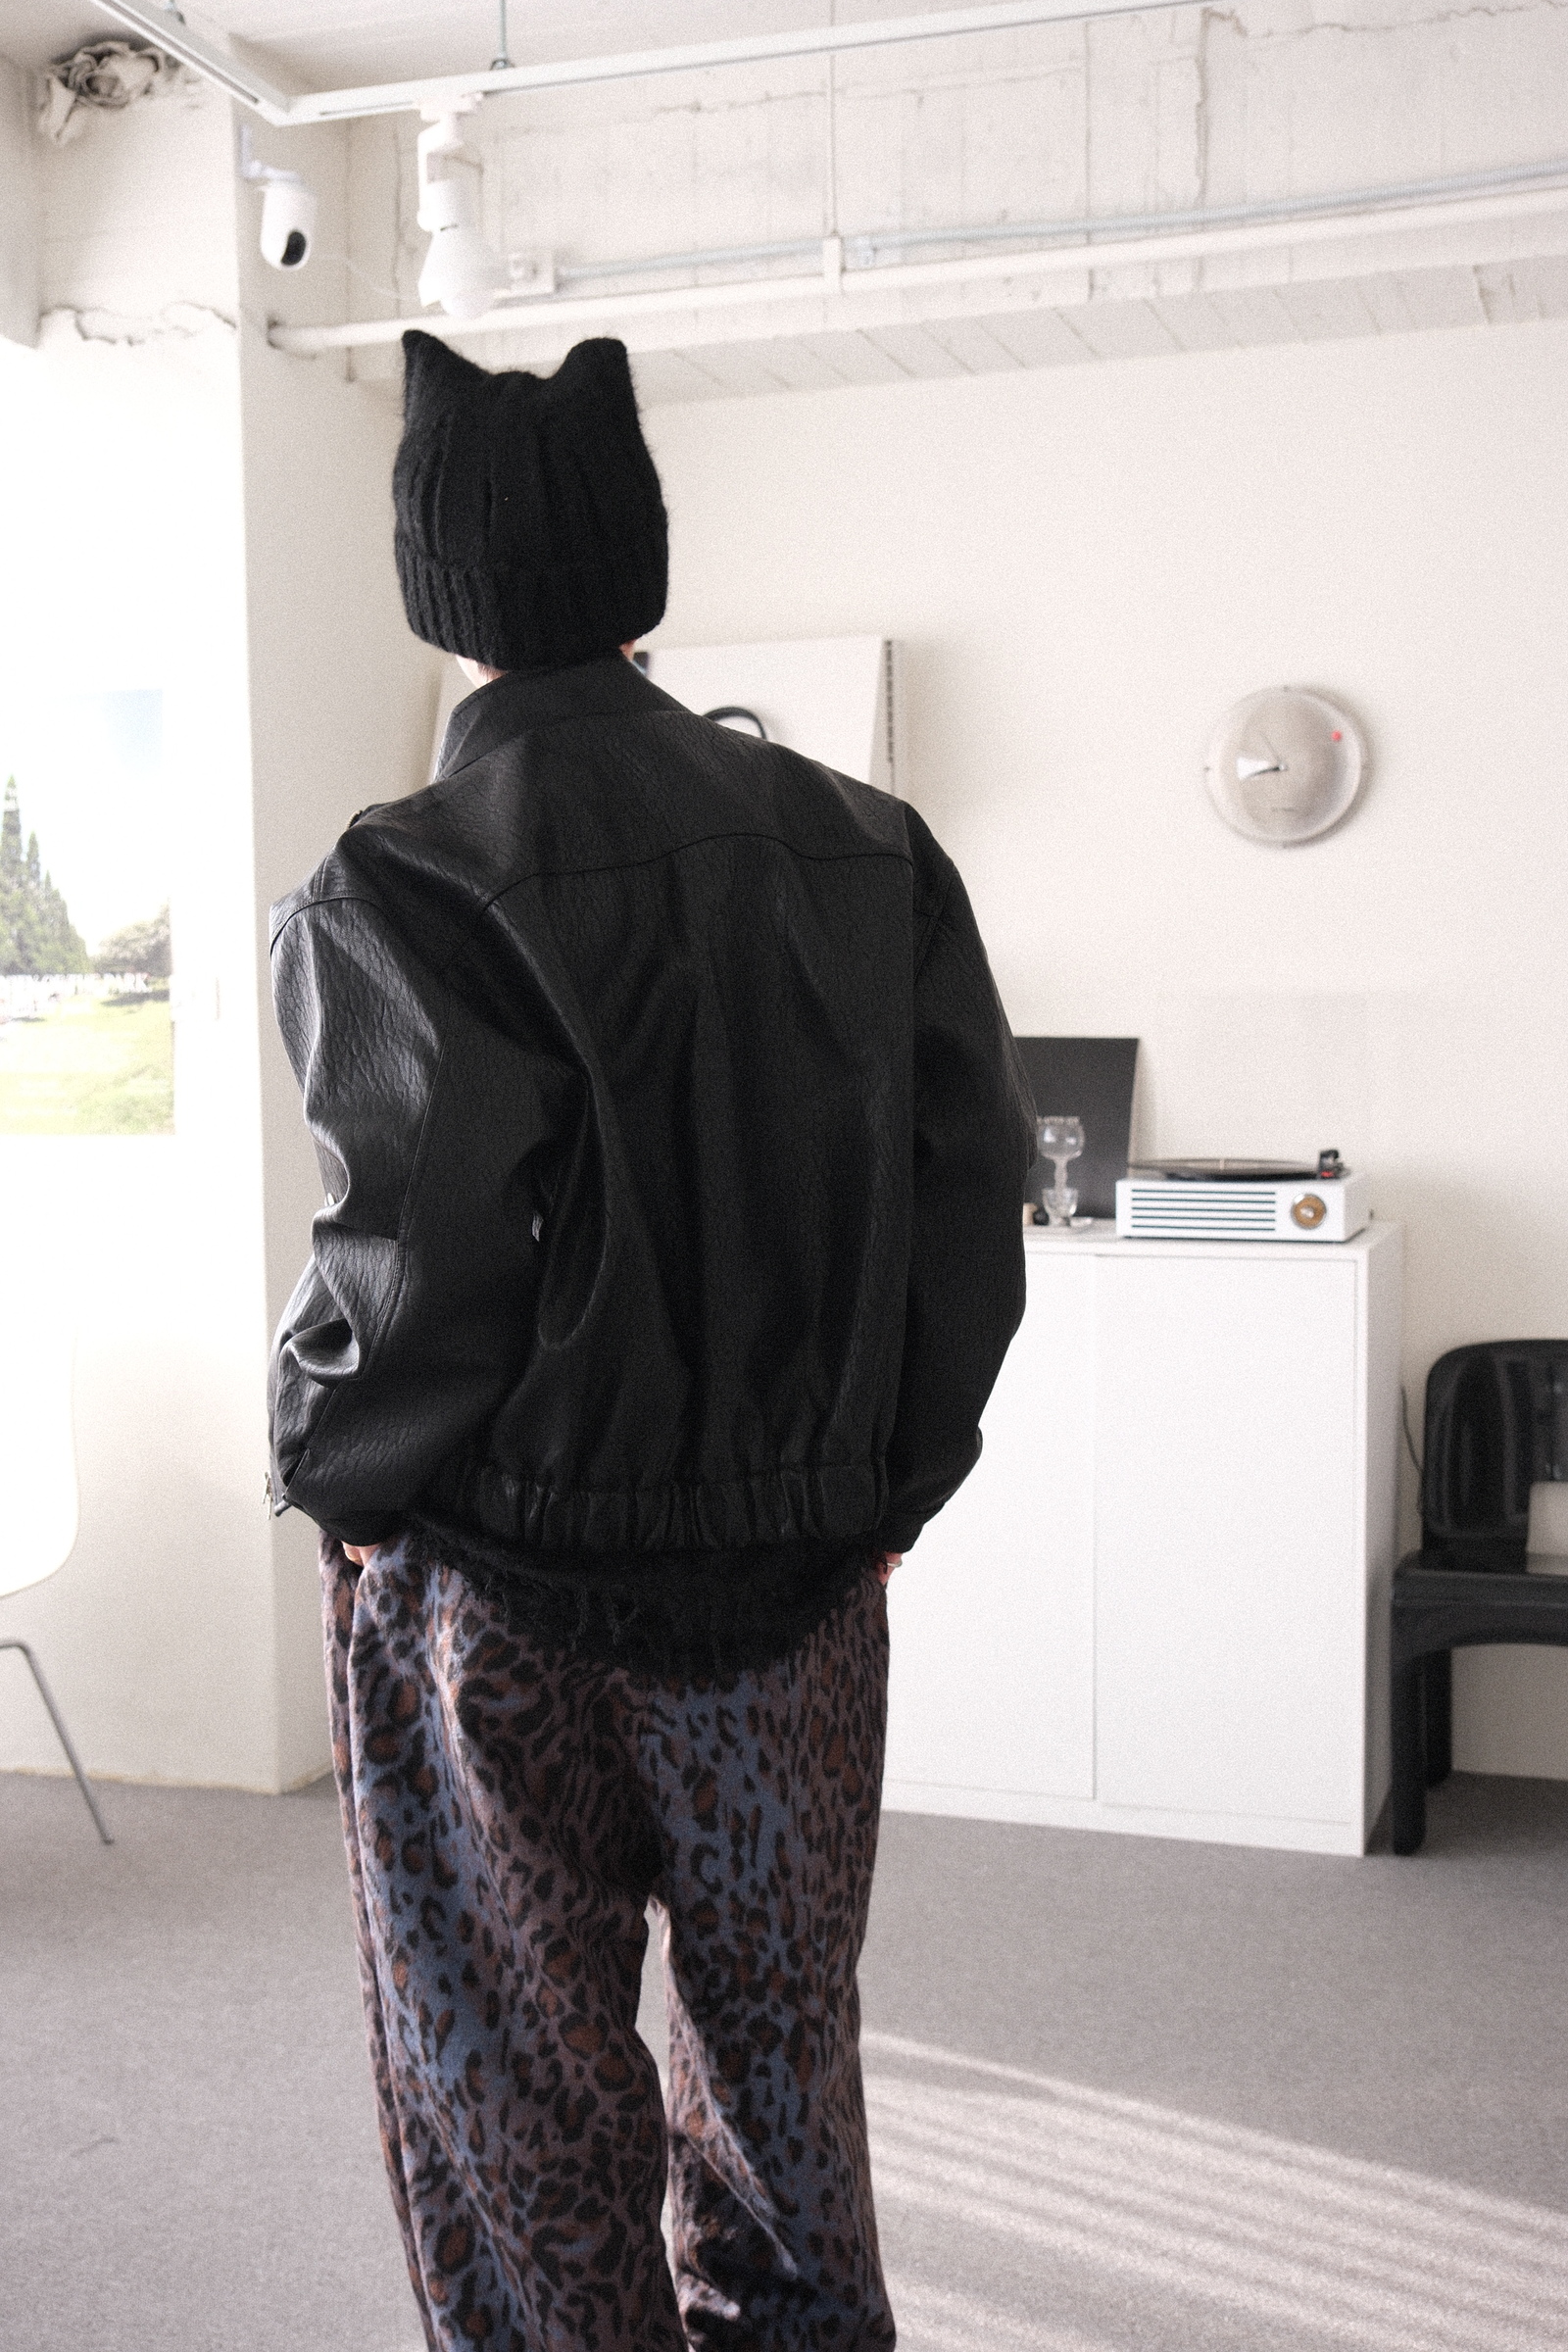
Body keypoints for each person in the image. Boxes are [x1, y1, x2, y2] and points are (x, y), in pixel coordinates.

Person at [269, 328, 1033, 2352]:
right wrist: (888, 1494)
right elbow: (970, 1218)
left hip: (494, 1595)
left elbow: (411, 1254)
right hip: (795, 1593)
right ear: (642, 569)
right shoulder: (869, 849)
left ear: (435, 589)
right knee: (782, 2060)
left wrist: (336, 1480)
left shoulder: (399, 876)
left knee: (515, 2081)